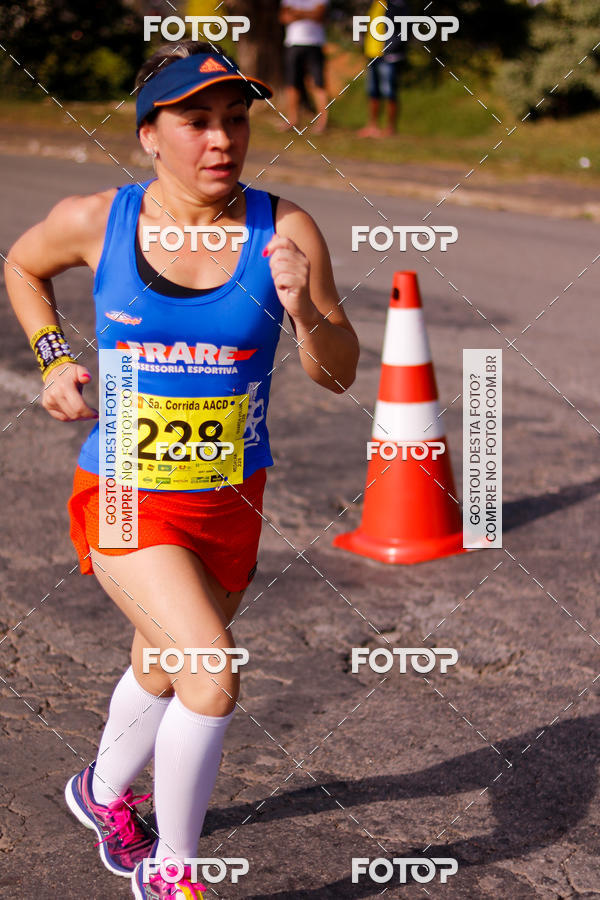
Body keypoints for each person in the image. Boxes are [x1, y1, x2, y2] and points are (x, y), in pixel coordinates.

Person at [4, 41, 359, 898]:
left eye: (235, 120)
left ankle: (99, 790)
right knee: (211, 665)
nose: (221, 139)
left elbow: (340, 371)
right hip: (124, 489)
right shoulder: (100, 220)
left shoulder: (286, 228)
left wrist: (305, 308)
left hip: (231, 499)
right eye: (195, 121)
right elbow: (22, 263)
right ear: (149, 136)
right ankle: (175, 872)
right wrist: (52, 359)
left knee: (163, 665)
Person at [358, 0, 408, 138]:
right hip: (373, 54)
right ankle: (372, 126)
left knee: (390, 92)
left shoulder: (398, 4)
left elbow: (404, 28)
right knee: (373, 92)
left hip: (389, 55)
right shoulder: (375, 3)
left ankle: (390, 128)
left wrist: (393, 48)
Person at [279, 0, 329, 133]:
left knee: (318, 82)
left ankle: (322, 121)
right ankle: (293, 119)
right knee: (292, 82)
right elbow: (284, 17)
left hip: (315, 43)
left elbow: (319, 15)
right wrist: (309, 14)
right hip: (293, 43)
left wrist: (297, 13)